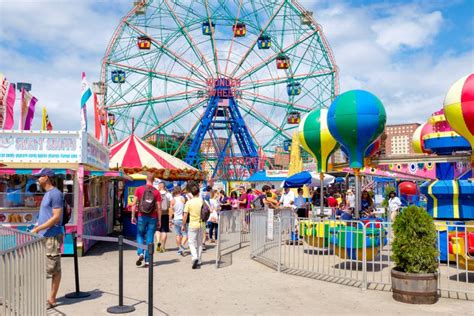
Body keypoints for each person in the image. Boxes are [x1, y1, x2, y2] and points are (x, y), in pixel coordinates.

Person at [30, 168, 63, 309]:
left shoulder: (55, 194)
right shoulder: (47, 194)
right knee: (49, 266)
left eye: (39, 176)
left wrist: (38, 228)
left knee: (53, 268)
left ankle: (52, 299)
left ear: (46, 177)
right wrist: (38, 225)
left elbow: (56, 217)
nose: (37, 179)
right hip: (44, 234)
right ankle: (50, 298)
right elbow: (48, 214)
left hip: (52, 235)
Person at [131, 173, 162, 267]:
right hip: (153, 217)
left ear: (146, 179)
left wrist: (133, 216)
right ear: (153, 180)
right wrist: (159, 220)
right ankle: (148, 260)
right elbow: (159, 207)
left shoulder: (139, 189)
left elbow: (134, 204)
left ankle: (140, 252)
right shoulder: (156, 192)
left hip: (141, 215)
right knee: (150, 238)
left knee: (140, 234)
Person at [182, 182, 204, 269]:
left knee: (191, 242)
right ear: (198, 192)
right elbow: (209, 210)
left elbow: (185, 215)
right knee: (199, 243)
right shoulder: (202, 201)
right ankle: (199, 260)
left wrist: (183, 225)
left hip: (192, 224)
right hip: (201, 223)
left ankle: (194, 257)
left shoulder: (189, 202)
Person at [170, 186, 187, 256]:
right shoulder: (183, 198)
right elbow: (185, 209)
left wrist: (170, 220)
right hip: (182, 218)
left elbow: (171, 211)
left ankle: (179, 249)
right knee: (186, 235)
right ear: (180, 191)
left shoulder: (172, 200)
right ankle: (181, 247)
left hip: (175, 219)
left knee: (178, 235)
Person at [157, 182, 172, 252]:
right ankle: (163, 246)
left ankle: (158, 242)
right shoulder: (168, 194)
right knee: (164, 231)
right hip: (166, 214)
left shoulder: (156, 193)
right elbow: (172, 204)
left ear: (160, 186)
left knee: (157, 230)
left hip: (157, 214)